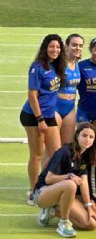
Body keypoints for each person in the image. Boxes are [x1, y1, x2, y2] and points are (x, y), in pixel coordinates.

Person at [21, 34, 66, 205]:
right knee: (37, 155)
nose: (55, 50)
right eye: (51, 47)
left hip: (48, 115)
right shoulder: (37, 67)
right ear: (45, 48)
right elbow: (32, 95)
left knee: (57, 153)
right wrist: (40, 119)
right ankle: (33, 191)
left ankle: (47, 184)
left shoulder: (56, 65)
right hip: (34, 116)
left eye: (58, 47)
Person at [34, 123, 96, 237]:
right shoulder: (64, 152)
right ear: (77, 136)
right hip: (43, 193)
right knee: (70, 184)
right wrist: (68, 176)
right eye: (84, 136)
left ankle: (53, 211)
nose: (87, 139)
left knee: (90, 224)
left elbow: (83, 183)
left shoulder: (86, 155)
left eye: (91, 137)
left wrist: (89, 205)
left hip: (64, 193)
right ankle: (63, 224)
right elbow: (48, 179)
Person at [55, 34, 83, 144]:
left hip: (70, 107)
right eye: (74, 45)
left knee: (67, 148)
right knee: (53, 149)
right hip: (55, 106)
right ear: (66, 46)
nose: (78, 48)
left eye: (80, 45)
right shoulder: (58, 62)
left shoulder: (77, 62)